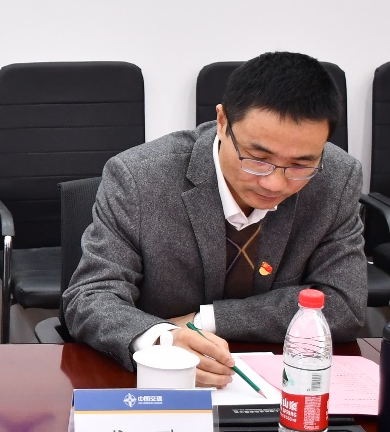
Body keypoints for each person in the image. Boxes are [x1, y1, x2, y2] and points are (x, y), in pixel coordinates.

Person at [63, 51, 367, 385]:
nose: (275, 183)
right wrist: (162, 340)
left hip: (280, 381)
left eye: (300, 165)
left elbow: (343, 304)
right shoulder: (139, 178)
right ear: (223, 122)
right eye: (258, 158)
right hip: (159, 381)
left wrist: (206, 320)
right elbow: (91, 297)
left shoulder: (336, 179)